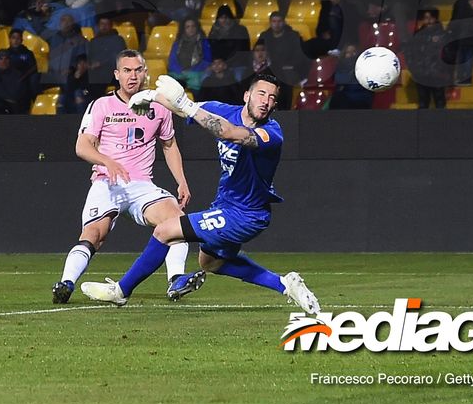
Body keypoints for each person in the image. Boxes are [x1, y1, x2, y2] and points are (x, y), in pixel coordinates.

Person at [80, 72, 320, 315]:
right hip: (225, 206)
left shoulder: (272, 134)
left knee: (165, 231)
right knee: (210, 262)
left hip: (246, 214)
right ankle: (284, 284)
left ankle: (121, 291)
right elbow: (186, 108)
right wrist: (152, 97)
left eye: (272, 97)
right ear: (247, 95)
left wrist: (186, 104)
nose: (266, 101)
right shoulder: (223, 109)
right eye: (261, 94)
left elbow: (228, 132)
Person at [52, 49, 194, 304]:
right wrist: (108, 162)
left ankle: (176, 281)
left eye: (138, 70)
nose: (133, 76)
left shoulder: (159, 107)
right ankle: (66, 284)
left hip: (141, 185)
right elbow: (82, 147)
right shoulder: (102, 105)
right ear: (117, 74)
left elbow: (169, 146)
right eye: (127, 71)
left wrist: (181, 180)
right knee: (94, 234)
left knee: (177, 223)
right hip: (107, 182)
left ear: (145, 73)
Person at [403, 7, 451, 109]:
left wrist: (443, 69)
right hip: (421, 75)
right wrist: (414, 68)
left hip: (438, 75)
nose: (428, 20)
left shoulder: (443, 35)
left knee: (440, 102)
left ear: (435, 18)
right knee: (423, 103)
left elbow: (449, 55)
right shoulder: (417, 36)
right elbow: (409, 53)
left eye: (431, 17)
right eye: (425, 18)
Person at [87, 15, 127, 99]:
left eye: (106, 24)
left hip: (112, 73)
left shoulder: (118, 40)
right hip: (96, 73)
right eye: (102, 24)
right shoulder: (93, 41)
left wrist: (100, 63)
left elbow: (118, 57)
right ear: (98, 26)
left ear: (111, 26)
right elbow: (89, 57)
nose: (104, 26)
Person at [168, 17, 212, 92]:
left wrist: (191, 71)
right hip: (178, 73)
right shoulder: (177, 43)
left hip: (196, 73)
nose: (191, 29)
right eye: (187, 27)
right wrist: (181, 71)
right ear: (184, 29)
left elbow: (207, 60)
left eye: (193, 26)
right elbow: (172, 60)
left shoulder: (204, 42)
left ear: (197, 27)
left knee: (196, 81)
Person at [329, 43, 374, 109]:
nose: (352, 54)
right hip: (345, 101)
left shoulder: (364, 67)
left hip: (362, 101)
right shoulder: (340, 67)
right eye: (348, 52)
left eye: (354, 52)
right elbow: (339, 81)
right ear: (344, 54)